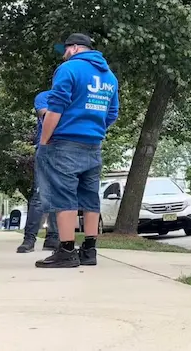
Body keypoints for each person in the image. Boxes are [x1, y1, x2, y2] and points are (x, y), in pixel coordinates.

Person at [34, 33, 119, 269]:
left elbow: (56, 108)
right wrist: (93, 130)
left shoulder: (69, 69)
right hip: (94, 145)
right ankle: (89, 251)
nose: (63, 54)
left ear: (73, 48)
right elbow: (112, 114)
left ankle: (67, 251)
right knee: (90, 197)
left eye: (65, 49)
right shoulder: (109, 76)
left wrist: (44, 140)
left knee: (64, 196)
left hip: (65, 143)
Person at [17, 90, 60, 253]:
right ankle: (29, 239)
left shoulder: (76, 97)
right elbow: (47, 115)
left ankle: (52, 239)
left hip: (67, 150)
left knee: (59, 195)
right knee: (39, 196)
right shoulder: (44, 97)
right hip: (47, 149)